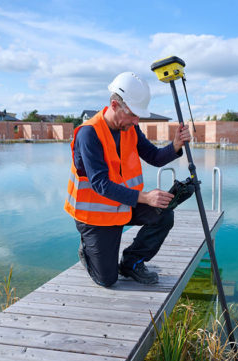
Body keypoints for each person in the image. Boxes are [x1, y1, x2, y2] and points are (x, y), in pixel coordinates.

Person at [64, 71, 191, 287]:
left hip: (123, 204)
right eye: (132, 114)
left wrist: (176, 145)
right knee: (107, 280)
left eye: (138, 116)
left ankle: (132, 262)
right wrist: (145, 197)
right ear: (114, 105)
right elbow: (101, 184)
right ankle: (87, 249)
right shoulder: (88, 134)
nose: (136, 121)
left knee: (164, 214)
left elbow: (154, 156)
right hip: (95, 216)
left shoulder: (130, 128)